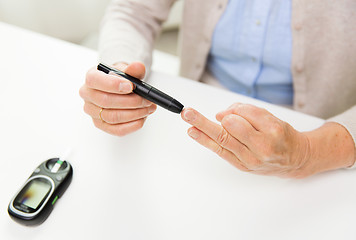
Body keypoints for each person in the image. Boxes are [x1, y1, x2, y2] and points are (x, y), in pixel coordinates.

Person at [79, 0, 356, 178]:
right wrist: (121, 70)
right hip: (196, 118)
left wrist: (307, 152)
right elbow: (134, 10)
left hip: (317, 133)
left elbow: (310, 150)